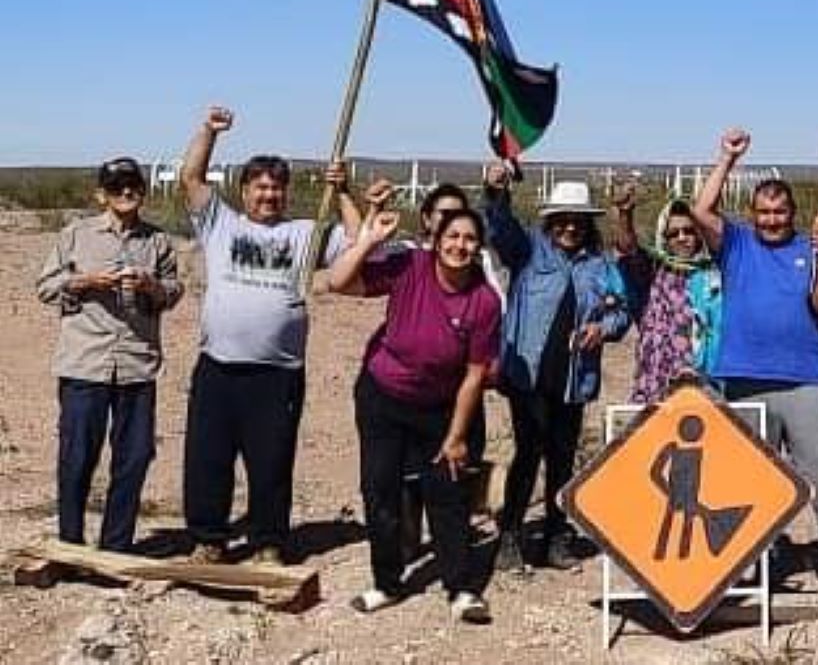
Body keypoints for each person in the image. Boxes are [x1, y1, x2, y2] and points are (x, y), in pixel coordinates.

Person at [180, 106, 354, 565]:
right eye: (259, 186)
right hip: (218, 366)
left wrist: (343, 191)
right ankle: (208, 540)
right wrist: (209, 133)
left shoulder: (305, 233)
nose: (268, 194)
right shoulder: (222, 224)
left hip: (277, 374)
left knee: (271, 462)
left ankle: (268, 541)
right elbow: (191, 179)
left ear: (286, 192)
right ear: (244, 191)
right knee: (207, 459)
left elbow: (359, 243)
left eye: (276, 187)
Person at [691, 128, 818, 593]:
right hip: (744, 378)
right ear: (753, 214)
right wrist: (726, 159)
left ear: (792, 213)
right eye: (764, 212)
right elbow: (701, 210)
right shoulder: (737, 244)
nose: (771, 220)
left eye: (779, 212)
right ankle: (753, 561)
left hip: (806, 379)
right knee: (750, 478)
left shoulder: (811, 246)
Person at [328, 206, 500, 624]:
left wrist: (457, 436)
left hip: (439, 406)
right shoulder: (411, 267)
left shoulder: (484, 300)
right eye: (452, 236)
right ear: (437, 240)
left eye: (469, 239)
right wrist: (369, 241)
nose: (460, 245)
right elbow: (338, 282)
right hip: (383, 397)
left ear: (478, 248)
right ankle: (386, 582)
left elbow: (475, 375)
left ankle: (461, 588)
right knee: (380, 490)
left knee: (448, 492)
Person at [484, 164, 633, 572]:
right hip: (528, 375)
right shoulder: (529, 250)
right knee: (528, 453)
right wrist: (496, 193)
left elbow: (622, 311)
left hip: (574, 377)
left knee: (562, 457)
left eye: (578, 221)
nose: (570, 228)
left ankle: (556, 535)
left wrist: (602, 329)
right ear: (550, 221)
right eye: (563, 220)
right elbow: (500, 229)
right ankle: (510, 535)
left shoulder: (600, 265)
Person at [35, 157, 184, 553]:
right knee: (76, 458)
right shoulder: (76, 235)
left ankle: (115, 549)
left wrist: (151, 285)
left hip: (136, 366)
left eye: (133, 185)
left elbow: (173, 292)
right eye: (116, 187)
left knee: (133, 460)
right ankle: (69, 547)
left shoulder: (158, 242)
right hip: (85, 364)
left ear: (143, 191)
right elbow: (45, 287)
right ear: (101, 194)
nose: (126, 193)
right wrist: (85, 281)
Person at [622, 195, 723, 403]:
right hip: (659, 386)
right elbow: (629, 250)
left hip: (709, 386)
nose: (681, 237)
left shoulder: (718, 274)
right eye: (673, 233)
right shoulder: (652, 274)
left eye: (689, 231)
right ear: (664, 238)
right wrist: (625, 215)